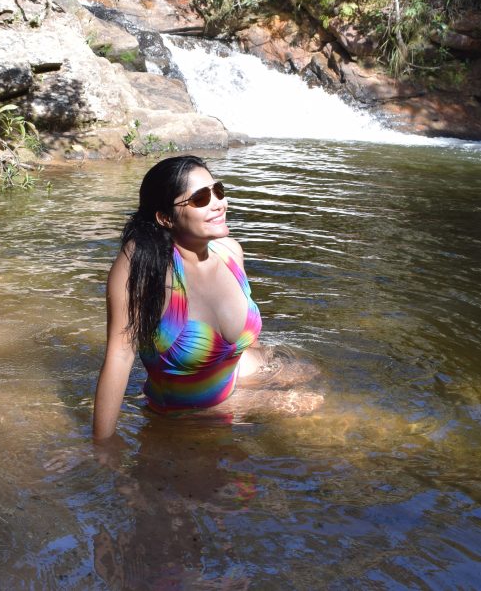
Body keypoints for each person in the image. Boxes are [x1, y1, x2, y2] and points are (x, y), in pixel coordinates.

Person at [93, 155, 320, 442]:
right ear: (165, 217)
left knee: (313, 374)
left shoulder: (230, 251)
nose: (219, 203)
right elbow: (120, 355)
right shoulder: (143, 266)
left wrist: (268, 375)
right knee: (318, 409)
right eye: (201, 198)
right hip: (185, 418)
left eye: (218, 191)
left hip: (236, 376)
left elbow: (247, 340)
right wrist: (102, 445)